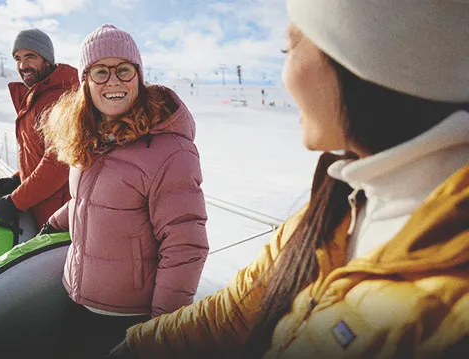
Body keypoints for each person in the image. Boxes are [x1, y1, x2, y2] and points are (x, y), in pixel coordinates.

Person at [107, 1, 469, 358]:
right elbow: (235, 314)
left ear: (365, 62)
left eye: (290, 46)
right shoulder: (336, 207)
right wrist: (141, 346)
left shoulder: (450, 315)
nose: (283, 75)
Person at [39, 24, 209, 357]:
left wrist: (159, 331)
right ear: (86, 82)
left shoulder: (170, 151)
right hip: (76, 300)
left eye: (124, 70)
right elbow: (89, 201)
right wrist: (56, 222)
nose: (113, 81)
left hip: (127, 321)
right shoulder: (91, 137)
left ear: (138, 77)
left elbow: (185, 245)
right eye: (101, 72)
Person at [0, 29, 79, 230]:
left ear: (47, 59)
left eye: (30, 56)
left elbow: (57, 165)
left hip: (62, 220)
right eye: (18, 58)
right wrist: (17, 178)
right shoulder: (37, 97)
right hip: (42, 210)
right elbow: (36, 153)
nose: (23, 65)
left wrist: (15, 201)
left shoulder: (59, 99)